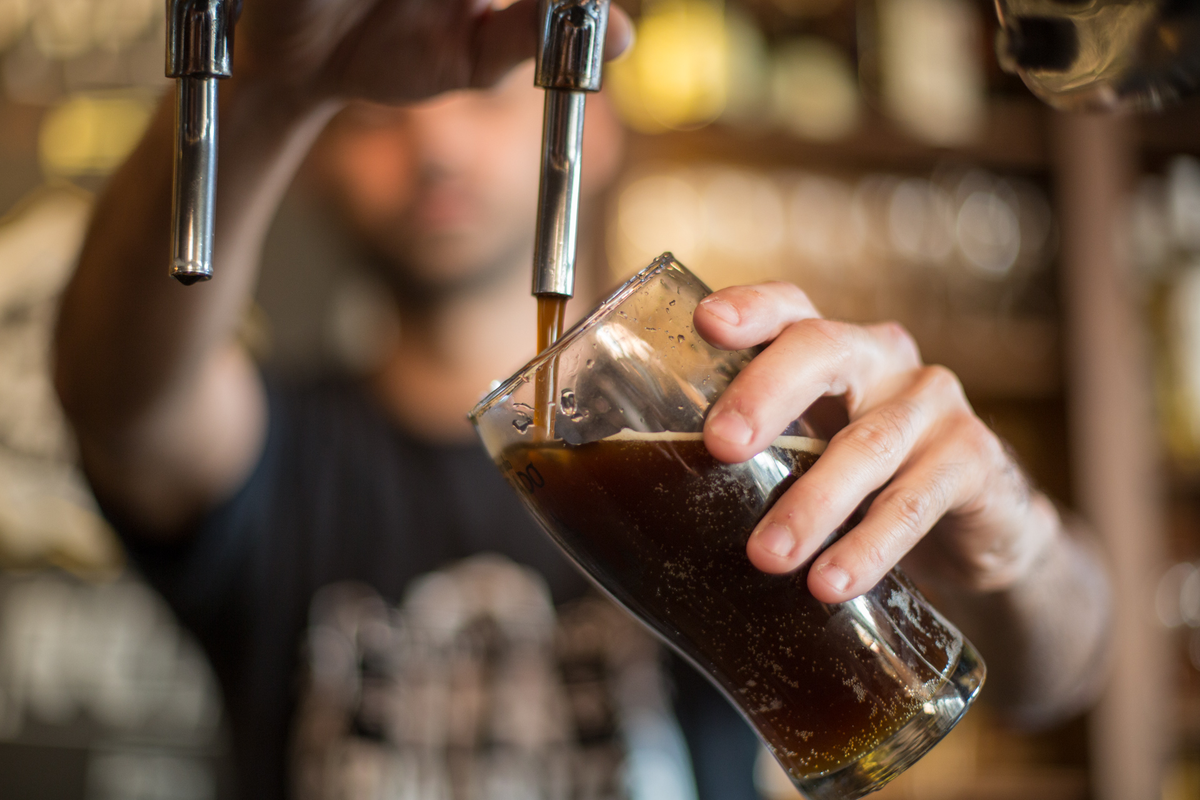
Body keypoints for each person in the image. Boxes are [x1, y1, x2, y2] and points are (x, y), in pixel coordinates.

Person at [52, 0, 1111, 798]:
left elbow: (1064, 669)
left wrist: (1010, 543)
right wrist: (267, 89)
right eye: (376, 116)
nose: (433, 144)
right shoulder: (281, 455)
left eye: (483, 90)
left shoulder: (732, 419)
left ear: (588, 118)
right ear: (317, 161)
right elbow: (117, 390)